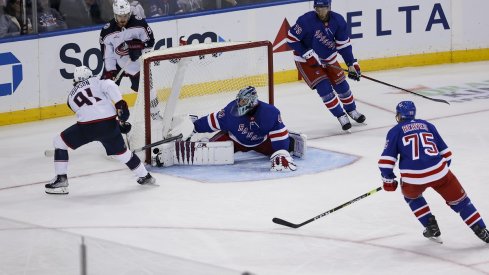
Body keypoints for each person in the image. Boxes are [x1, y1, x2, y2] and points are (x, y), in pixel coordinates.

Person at [378, 101, 489, 243]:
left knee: (412, 197)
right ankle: (481, 230)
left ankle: (431, 226)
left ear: (399, 115)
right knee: (461, 202)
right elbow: (447, 154)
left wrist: (388, 179)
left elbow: (386, 161)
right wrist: (439, 172)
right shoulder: (427, 125)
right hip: (440, 172)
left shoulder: (395, 131)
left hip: (413, 179)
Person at [45, 66, 155, 194]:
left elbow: (88, 111)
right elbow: (110, 85)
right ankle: (145, 176)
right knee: (122, 153)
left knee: (59, 142)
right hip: (109, 125)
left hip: (87, 127)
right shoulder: (97, 80)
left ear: (75, 80)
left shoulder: (70, 97)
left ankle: (61, 179)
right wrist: (119, 105)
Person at [286, 0, 365, 131]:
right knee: (324, 89)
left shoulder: (338, 21)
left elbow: (344, 45)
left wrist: (351, 64)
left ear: (329, 7)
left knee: (342, 86)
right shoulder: (305, 20)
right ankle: (341, 116)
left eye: (322, 7)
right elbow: (291, 39)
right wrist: (307, 53)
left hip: (328, 57)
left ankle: (352, 111)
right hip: (306, 61)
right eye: (316, 7)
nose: (319, 10)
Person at [192, 86, 298, 172]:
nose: (239, 104)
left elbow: (278, 132)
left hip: (262, 142)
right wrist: (194, 127)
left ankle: (290, 142)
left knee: (285, 149)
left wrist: (282, 151)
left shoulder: (269, 112)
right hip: (235, 141)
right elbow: (212, 121)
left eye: (243, 101)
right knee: (206, 152)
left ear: (252, 101)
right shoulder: (230, 110)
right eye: (239, 100)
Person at [99, 0, 154, 92]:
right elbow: (108, 55)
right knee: (105, 89)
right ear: (115, 14)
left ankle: (153, 105)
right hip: (116, 62)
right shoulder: (107, 31)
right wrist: (110, 71)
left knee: (147, 90)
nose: (123, 19)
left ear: (129, 13)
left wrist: (140, 47)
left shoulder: (140, 24)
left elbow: (150, 42)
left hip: (136, 62)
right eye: (120, 16)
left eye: (125, 16)